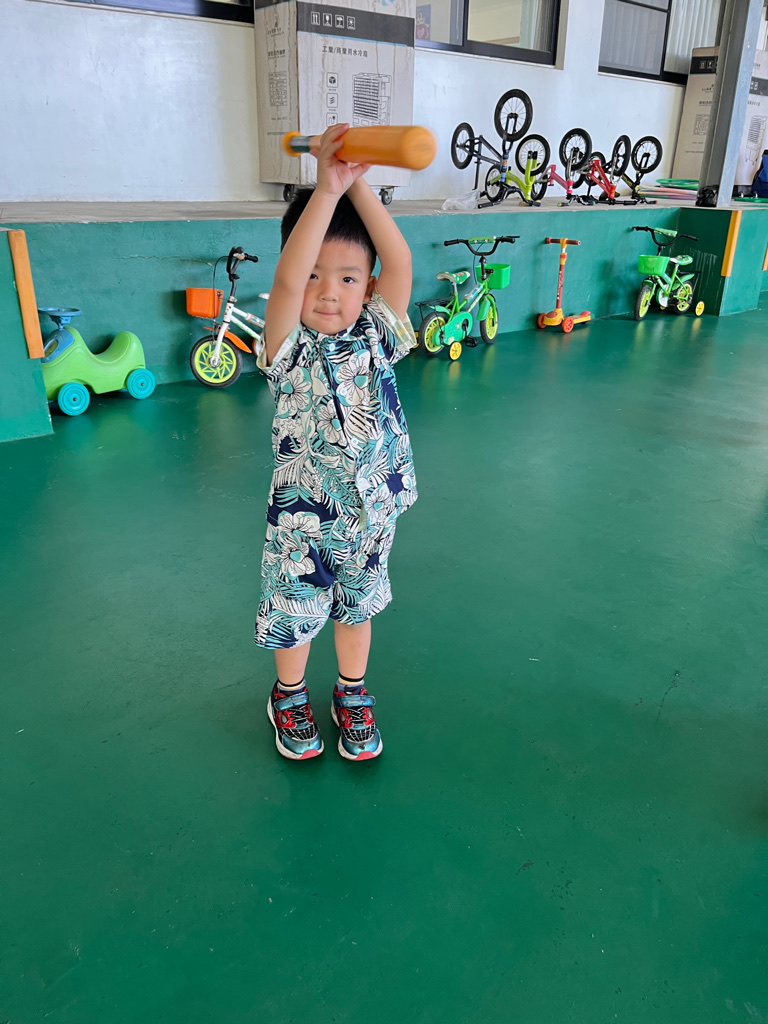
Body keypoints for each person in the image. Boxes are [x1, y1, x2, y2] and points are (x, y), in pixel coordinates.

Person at [254, 123, 418, 762]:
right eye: (316, 276)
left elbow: (397, 261)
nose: (328, 291)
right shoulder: (287, 347)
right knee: (295, 615)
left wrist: (358, 184)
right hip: (304, 520)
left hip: (371, 516)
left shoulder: (379, 334)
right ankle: (289, 695)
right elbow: (286, 283)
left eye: (348, 278)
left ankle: (351, 692)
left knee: (357, 610)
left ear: (368, 287)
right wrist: (325, 191)